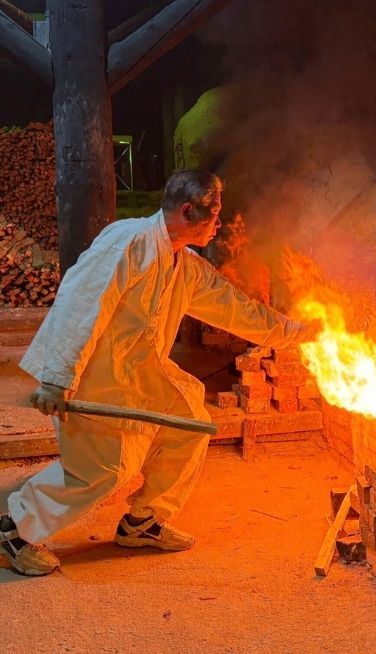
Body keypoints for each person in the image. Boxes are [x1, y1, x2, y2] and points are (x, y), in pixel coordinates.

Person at [0, 169, 317, 576]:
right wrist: (56, 379)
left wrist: (297, 334)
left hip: (141, 373)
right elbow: (82, 303)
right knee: (102, 470)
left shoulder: (186, 265)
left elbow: (237, 309)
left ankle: (144, 520)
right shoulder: (128, 241)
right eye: (214, 214)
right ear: (187, 211)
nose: (219, 224)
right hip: (95, 376)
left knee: (189, 423)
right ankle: (17, 529)